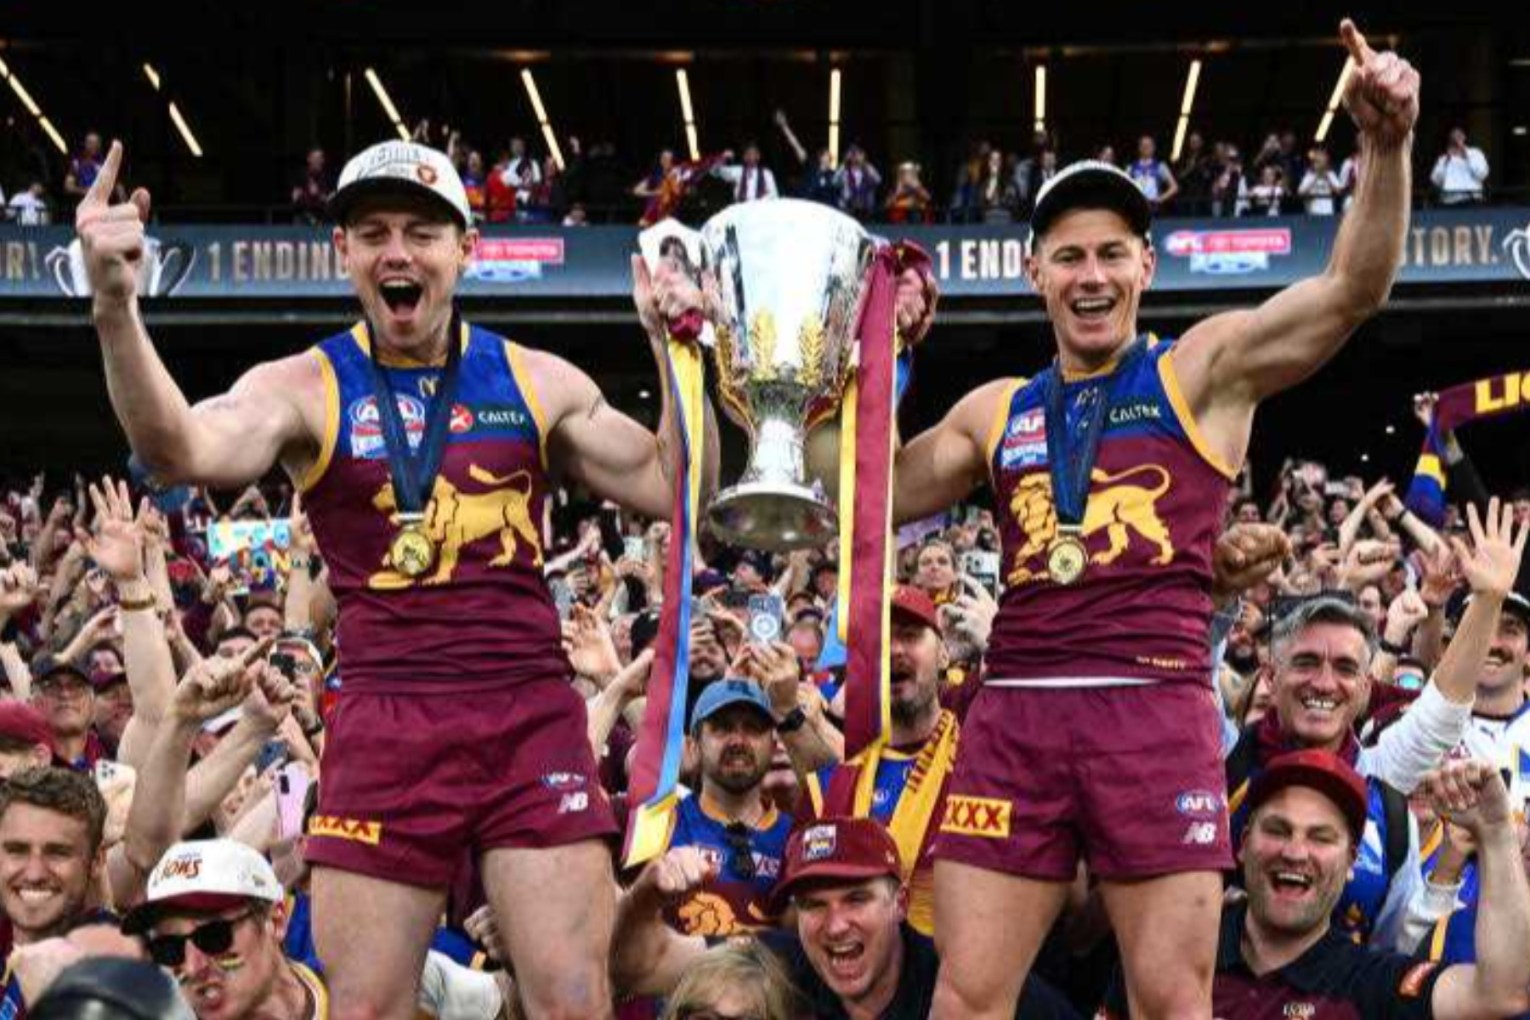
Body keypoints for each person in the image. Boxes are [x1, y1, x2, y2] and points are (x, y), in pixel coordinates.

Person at [76, 136, 717, 1019]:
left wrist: (677, 353)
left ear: (466, 249)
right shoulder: (303, 384)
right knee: (369, 1008)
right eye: (373, 232)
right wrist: (116, 306)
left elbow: (676, 490)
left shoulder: (535, 380)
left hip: (527, 711)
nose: (398, 252)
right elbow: (177, 447)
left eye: (421, 231)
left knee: (573, 1000)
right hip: (385, 718)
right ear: (344, 252)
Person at [891, 21, 1420, 1019]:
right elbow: (866, 497)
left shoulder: (1201, 371)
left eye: (1111, 255)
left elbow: (1353, 289)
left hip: (1157, 706)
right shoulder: (994, 410)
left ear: (1144, 269)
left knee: (1174, 1001)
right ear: (1033, 275)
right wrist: (885, 360)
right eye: (1068, 257)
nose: (1090, 276)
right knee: (964, 998)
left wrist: (1384, 147)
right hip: (1018, 712)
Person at [1098, 752, 1530, 1020]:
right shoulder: (1164, 960)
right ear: (1243, 845)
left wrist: (1496, 835)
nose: (1295, 851)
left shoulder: (1372, 986)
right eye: (1278, 830)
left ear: (1350, 865)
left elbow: (1504, 992)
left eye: (1321, 837)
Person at [613, 816, 1079, 1020]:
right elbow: (641, 966)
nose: (835, 925)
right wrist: (646, 895)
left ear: (899, 904)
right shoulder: (783, 963)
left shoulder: (961, 986)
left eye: (856, 899)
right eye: (814, 904)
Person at [798, 586, 957, 936]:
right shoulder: (828, 784)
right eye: (881, 640)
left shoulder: (983, 765)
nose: (895, 649)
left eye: (910, 636)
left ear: (945, 654)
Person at [122, 840, 329, 1019]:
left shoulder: (350, 994)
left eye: (213, 936)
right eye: (169, 948)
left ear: (275, 921)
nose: (193, 968)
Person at [664, 678, 795, 936]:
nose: (738, 740)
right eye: (722, 728)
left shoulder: (796, 839)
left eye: (753, 728)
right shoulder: (661, 824)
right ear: (693, 746)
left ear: (774, 745)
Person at [1430, 128, 1489, 205]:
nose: (1457, 141)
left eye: (1459, 137)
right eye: (1454, 138)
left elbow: (1482, 174)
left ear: (1464, 138)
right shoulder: (1444, 159)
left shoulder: (1475, 153)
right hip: (1449, 201)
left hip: (1472, 200)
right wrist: (1447, 161)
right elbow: (1435, 180)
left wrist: (1467, 156)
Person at [712, 142, 779, 203]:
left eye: (753, 153)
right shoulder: (738, 171)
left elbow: (774, 194)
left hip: (760, 209)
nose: (750, 156)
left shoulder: (766, 173)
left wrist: (760, 201)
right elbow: (716, 171)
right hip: (741, 209)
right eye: (748, 154)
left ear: (758, 156)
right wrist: (723, 157)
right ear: (744, 157)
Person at [1125, 136, 1178, 211]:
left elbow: (1174, 187)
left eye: (1149, 146)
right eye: (1143, 146)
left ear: (1153, 148)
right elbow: (1124, 187)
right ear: (1139, 148)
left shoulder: (1160, 166)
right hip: (1135, 207)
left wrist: (1160, 199)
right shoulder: (1130, 167)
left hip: (1153, 208)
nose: (1146, 148)